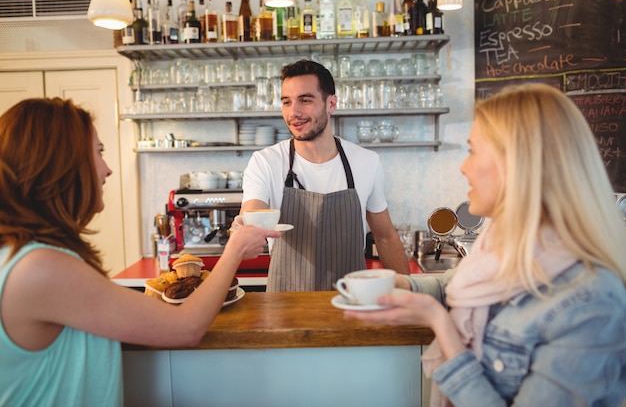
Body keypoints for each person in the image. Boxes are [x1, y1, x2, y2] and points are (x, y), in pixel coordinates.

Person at [346, 84, 626, 406]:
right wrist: (400, 283)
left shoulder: (590, 302)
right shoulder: (503, 243)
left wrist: (440, 323)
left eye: (474, 151)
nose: (464, 167)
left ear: (521, 164)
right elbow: (455, 285)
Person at [0, 97, 281, 406]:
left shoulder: (26, 256)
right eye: (98, 152)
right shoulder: (41, 268)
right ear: (60, 164)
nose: (107, 170)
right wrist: (236, 248)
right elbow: (185, 328)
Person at [239, 59, 409, 292]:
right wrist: (250, 225)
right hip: (285, 306)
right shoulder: (266, 162)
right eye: (286, 102)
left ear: (331, 104)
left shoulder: (366, 162)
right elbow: (253, 210)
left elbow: (386, 236)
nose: (294, 112)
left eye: (305, 100)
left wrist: (407, 294)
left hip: (351, 302)